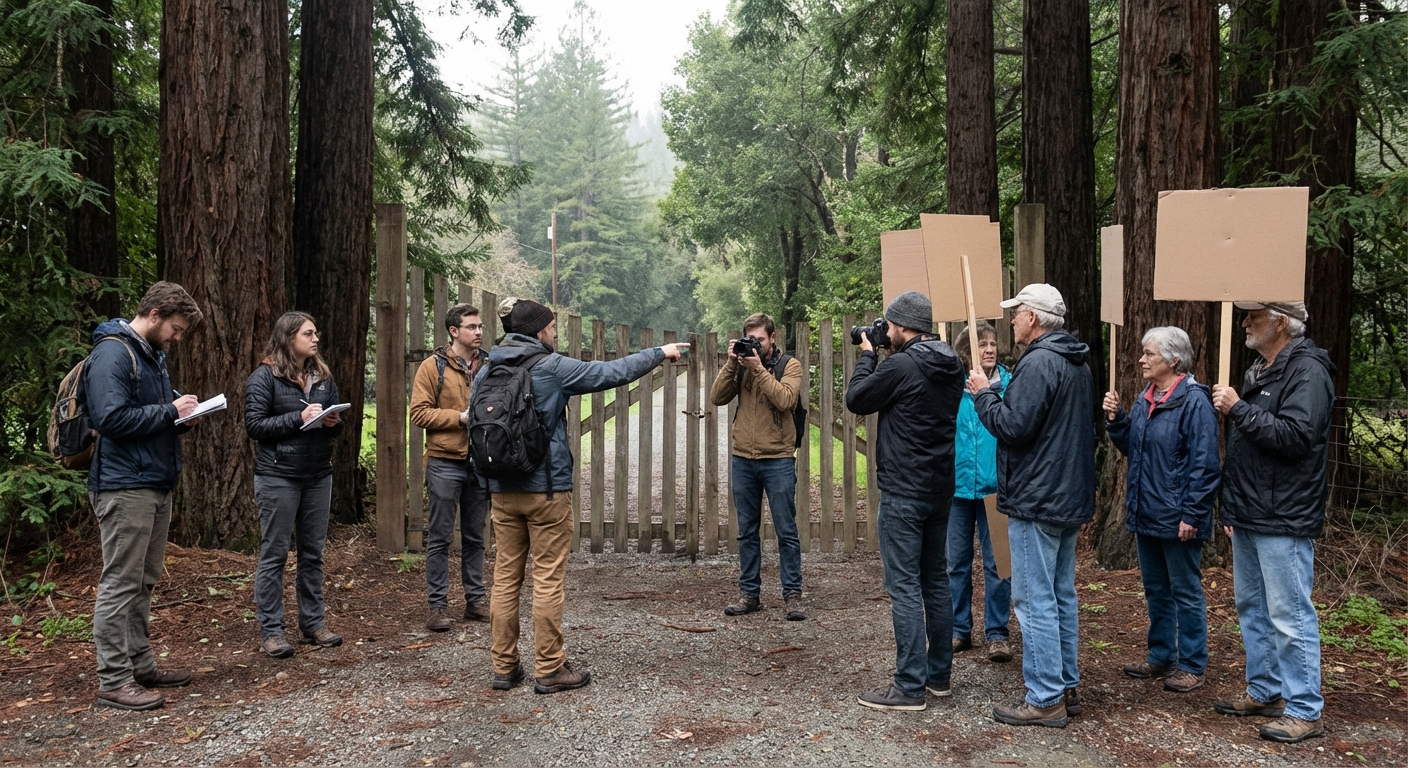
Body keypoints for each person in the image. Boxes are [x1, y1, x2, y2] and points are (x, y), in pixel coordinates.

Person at [475, 299, 688, 694]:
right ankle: (550, 668)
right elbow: (609, 373)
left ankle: (504, 668)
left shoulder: (486, 369)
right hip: (546, 491)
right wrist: (659, 352)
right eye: (552, 327)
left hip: (501, 490)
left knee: (505, 579)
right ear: (538, 331)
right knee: (547, 580)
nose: (555, 333)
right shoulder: (550, 367)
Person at [967, 283, 1095, 728]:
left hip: (1037, 498)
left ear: (1034, 318)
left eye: (1017, 312)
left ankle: (1045, 698)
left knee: (1034, 597)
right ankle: (1065, 684)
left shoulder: (1039, 362)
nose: (1013, 320)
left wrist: (984, 392)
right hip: (1064, 495)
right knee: (1061, 594)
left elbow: (1013, 426)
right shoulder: (1073, 360)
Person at [1211, 301, 1333, 744]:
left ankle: (1304, 708)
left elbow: (1297, 438)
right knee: (1252, 607)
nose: (1244, 322)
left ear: (1281, 322)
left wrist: (1239, 409)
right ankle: (1265, 689)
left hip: (1284, 515)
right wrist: (1232, 509)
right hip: (1249, 512)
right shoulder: (1257, 372)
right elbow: (1245, 451)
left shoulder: (1309, 372)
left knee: (1290, 613)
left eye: (1253, 316)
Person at [84, 281, 204, 711]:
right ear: (153, 315)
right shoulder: (114, 352)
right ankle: (114, 679)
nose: (177, 337)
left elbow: (146, 417)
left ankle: (141, 664)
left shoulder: (153, 355)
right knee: (120, 583)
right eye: (174, 328)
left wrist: (180, 418)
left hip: (153, 481)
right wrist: (171, 411)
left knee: (144, 580)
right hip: (123, 485)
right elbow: (110, 417)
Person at [844, 291, 965, 711]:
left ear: (903, 326)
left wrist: (866, 353)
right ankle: (938, 677)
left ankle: (909, 685)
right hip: (939, 489)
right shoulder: (952, 364)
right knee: (935, 578)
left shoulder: (900, 364)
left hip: (903, 491)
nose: (886, 332)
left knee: (904, 586)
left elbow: (857, 398)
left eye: (889, 326)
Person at [1103, 326, 1220, 694]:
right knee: (1156, 589)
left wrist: (1193, 513)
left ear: (1173, 359)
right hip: (1148, 512)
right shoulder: (1146, 398)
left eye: (1149, 354)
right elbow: (1136, 450)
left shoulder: (1194, 402)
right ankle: (1160, 655)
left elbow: (1205, 464)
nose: (1141, 359)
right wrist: (1117, 421)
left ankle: (1192, 663)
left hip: (1178, 516)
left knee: (1185, 590)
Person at [244, 311, 345, 658]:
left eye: (316, 333)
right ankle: (272, 631)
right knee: (274, 555)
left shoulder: (322, 376)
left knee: (313, 553)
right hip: (277, 476)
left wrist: (332, 422)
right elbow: (255, 426)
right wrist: (298, 418)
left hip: (318, 474)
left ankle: (313, 623)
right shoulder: (264, 377)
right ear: (289, 338)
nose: (315, 339)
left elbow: (337, 423)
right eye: (308, 333)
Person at [709, 313, 805, 620]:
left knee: (786, 531)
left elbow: (786, 400)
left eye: (760, 340)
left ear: (772, 338)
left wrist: (759, 370)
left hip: (777, 459)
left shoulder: (789, 365)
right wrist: (732, 363)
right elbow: (716, 397)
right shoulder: (739, 367)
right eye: (750, 339)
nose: (755, 345)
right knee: (746, 532)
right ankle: (749, 595)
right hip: (743, 459)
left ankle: (792, 596)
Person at [409, 304, 490, 631]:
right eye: (471, 327)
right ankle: (437, 607)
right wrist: (458, 418)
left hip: (480, 462)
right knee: (441, 537)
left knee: (475, 537)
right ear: (454, 331)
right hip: (444, 462)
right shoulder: (432, 368)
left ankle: (475, 602)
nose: (479, 332)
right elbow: (419, 413)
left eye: (480, 326)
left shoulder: (489, 363)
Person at [947, 322, 1013, 663]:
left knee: (998, 564)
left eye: (992, 344)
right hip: (957, 489)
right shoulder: (951, 388)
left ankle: (998, 633)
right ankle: (959, 630)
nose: (989, 349)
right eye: (981, 344)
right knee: (956, 562)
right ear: (965, 352)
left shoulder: (1010, 385)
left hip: (996, 489)